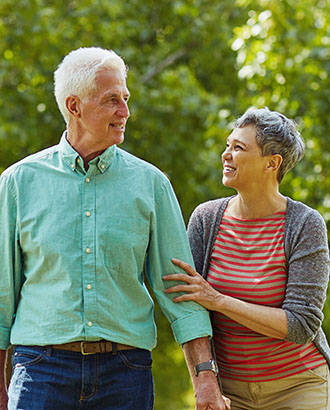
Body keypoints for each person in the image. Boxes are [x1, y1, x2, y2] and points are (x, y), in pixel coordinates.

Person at [0, 47, 230, 410]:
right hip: (40, 369)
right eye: (111, 101)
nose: (125, 112)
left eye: (125, 98)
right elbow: (2, 290)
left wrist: (205, 377)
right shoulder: (18, 182)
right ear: (74, 106)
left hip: (125, 372)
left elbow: (180, 289)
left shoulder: (151, 184)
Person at [164, 107, 330, 410]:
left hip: (297, 385)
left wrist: (218, 300)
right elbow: (188, 305)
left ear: (272, 163)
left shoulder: (305, 224)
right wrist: (203, 379)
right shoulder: (206, 219)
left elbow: (301, 324)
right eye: (228, 145)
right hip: (229, 389)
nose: (226, 155)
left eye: (239, 148)